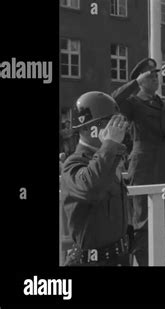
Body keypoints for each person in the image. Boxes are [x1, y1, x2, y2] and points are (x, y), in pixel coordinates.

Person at [111, 58, 165, 266]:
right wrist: (133, 83)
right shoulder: (132, 103)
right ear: (141, 79)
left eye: (157, 75)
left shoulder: (164, 103)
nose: (156, 78)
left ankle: (158, 261)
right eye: (150, 76)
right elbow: (112, 100)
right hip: (144, 168)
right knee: (143, 222)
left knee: (162, 220)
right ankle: (144, 262)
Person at [61, 91, 131, 266]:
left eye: (116, 121)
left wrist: (112, 149)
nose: (115, 128)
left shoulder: (110, 158)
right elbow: (91, 187)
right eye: (107, 122)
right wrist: (109, 145)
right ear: (86, 128)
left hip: (119, 257)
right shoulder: (73, 164)